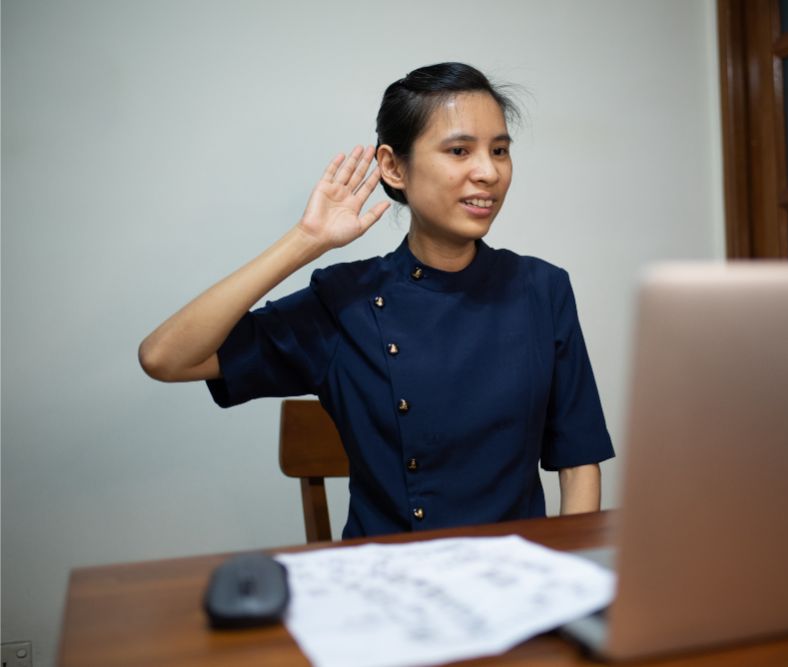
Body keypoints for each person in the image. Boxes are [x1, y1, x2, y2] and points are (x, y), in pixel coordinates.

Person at [139, 62, 614, 538]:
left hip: (514, 571)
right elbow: (166, 358)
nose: (488, 172)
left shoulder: (542, 289)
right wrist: (306, 240)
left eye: (500, 150)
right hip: (387, 573)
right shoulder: (347, 301)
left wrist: (565, 570)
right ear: (393, 167)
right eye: (459, 150)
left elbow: (578, 463)